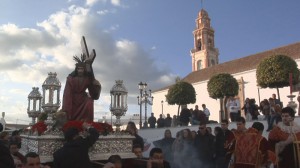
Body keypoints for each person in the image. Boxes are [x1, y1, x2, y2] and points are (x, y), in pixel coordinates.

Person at [62, 56, 101, 121]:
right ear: (76, 69)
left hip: (83, 98)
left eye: (82, 69)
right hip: (73, 98)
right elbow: (67, 93)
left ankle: (86, 121)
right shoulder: (70, 79)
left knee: (89, 101)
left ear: (84, 69)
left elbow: (92, 89)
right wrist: (66, 106)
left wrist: (96, 85)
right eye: (78, 69)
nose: (80, 71)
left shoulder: (87, 79)